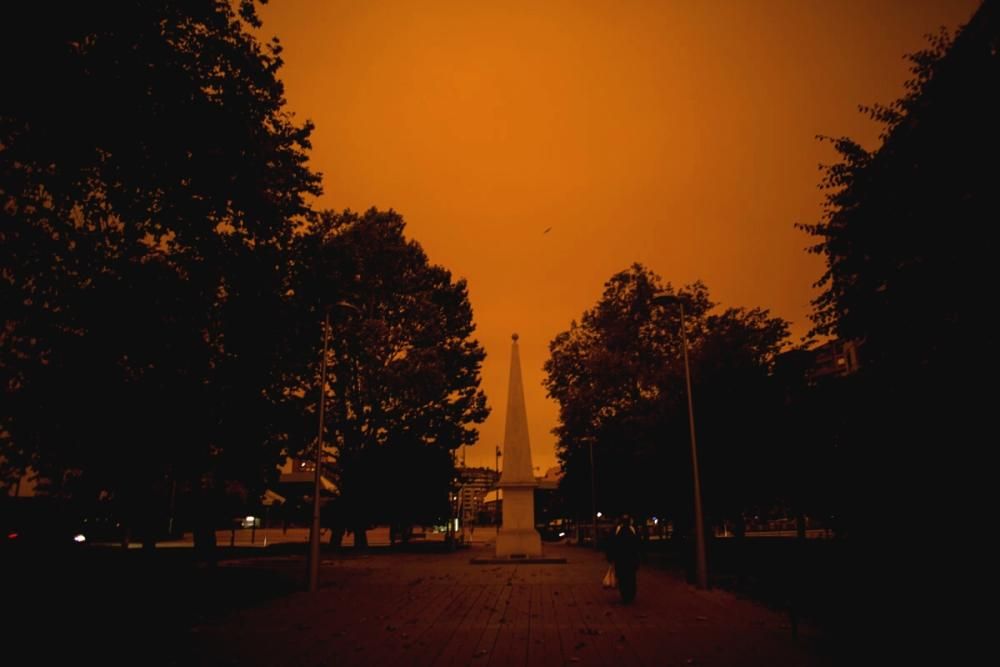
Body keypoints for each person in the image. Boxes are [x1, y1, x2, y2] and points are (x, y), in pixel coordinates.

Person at [609, 514, 640, 603]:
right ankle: (630, 594)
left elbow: (611, 545)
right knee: (630, 577)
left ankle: (626, 595)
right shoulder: (633, 530)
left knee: (623, 577)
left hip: (621, 559)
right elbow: (637, 545)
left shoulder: (617, 530)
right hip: (630, 559)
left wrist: (611, 557)